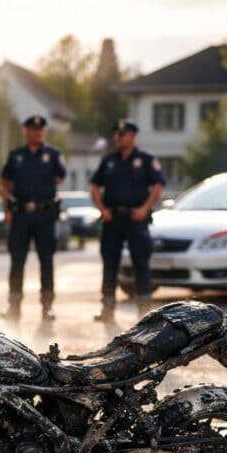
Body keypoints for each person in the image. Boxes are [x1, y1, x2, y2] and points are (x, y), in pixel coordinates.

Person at [90, 119, 165, 323]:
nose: (118, 137)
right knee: (109, 264)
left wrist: (145, 208)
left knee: (141, 263)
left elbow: (158, 185)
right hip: (112, 219)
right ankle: (107, 308)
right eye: (117, 134)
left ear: (133, 136)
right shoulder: (109, 161)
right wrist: (102, 209)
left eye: (123, 134)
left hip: (136, 219)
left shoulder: (146, 160)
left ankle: (144, 311)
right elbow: (95, 186)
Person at [0, 114, 67, 322]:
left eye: (39, 129)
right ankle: (14, 305)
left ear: (44, 132)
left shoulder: (53, 155)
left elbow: (60, 178)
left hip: (44, 215)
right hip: (20, 215)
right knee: (17, 260)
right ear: (25, 131)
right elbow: (5, 184)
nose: (36, 132)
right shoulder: (16, 156)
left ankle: (47, 307)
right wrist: (7, 210)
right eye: (32, 129)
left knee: (46, 260)